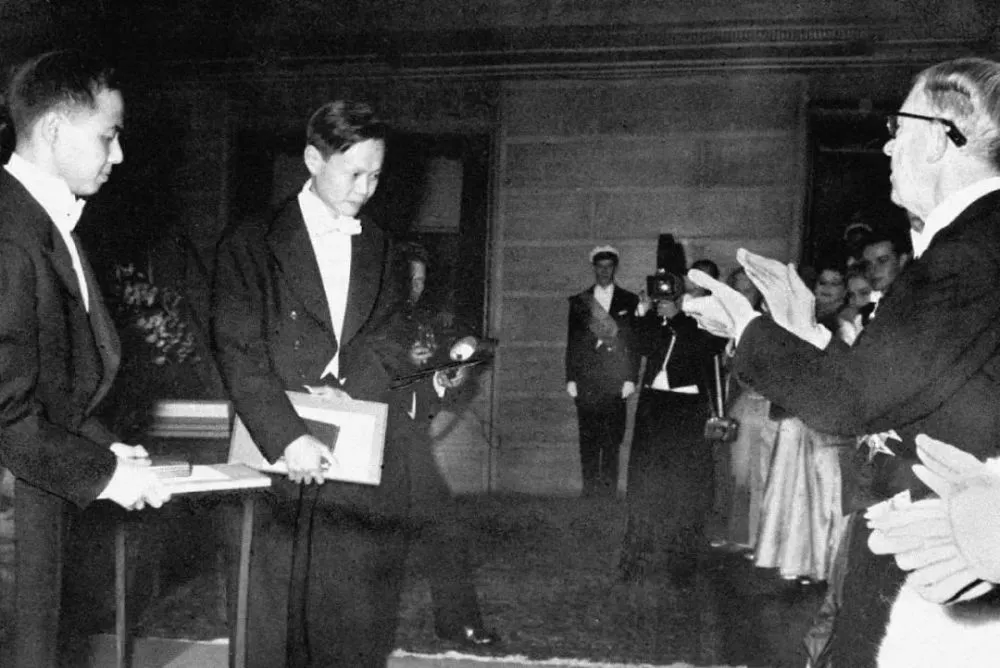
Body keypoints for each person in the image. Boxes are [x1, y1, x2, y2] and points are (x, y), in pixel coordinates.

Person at [684, 56, 1000, 666]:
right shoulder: (973, 240)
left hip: (949, 559)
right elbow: (894, 385)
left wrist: (744, 327)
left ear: (941, 137)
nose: (888, 147)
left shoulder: (969, 251)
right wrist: (803, 330)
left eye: (898, 128)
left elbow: (850, 403)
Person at [212, 99, 480, 667]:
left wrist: (361, 394)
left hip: (351, 462)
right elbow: (238, 351)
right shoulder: (251, 241)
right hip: (275, 457)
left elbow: (383, 344)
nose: (365, 189)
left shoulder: (381, 246)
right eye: (354, 173)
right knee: (272, 625)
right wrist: (290, 434)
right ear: (313, 160)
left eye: (376, 175)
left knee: (351, 622)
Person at [0, 50, 171, 668]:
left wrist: (104, 446)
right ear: (53, 129)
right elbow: (4, 412)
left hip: (33, 489)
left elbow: (46, 384)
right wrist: (107, 475)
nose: (117, 155)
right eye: (107, 135)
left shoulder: (39, 219)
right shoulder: (9, 232)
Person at [396, 242, 500, 647]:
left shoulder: (422, 323)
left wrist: (442, 379)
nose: (416, 287)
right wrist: (404, 361)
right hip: (369, 444)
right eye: (409, 279)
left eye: (421, 280)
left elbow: (428, 387)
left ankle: (457, 623)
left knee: (446, 529)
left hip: (410, 444)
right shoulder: (372, 324)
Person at [619, 264, 727, 583]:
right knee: (643, 484)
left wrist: (678, 316)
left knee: (685, 490)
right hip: (654, 405)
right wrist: (645, 313)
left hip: (687, 410)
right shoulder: (661, 317)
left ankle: (681, 564)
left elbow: (707, 347)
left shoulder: (712, 314)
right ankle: (635, 557)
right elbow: (639, 345)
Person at [565, 245, 640, 497]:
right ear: (594, 268)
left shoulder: (629, 300)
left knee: (612, 438)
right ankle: (588, 490)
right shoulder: (580, 301)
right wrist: (571, 378)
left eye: (609, 267)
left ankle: (608, 491)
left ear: (615, 268)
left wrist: (631, 378)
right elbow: (572, 342)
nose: (604, 271)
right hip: (586, 378)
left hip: (616, 377)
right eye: (600, 267)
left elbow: (633, 344)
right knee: (588, 437)